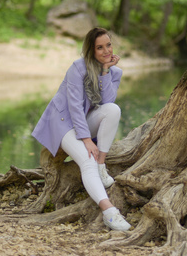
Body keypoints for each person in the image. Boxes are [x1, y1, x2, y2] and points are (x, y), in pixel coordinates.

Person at [32, 27, 131, 231]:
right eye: (100, 48)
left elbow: (107, 101)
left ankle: (101, 167)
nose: (106, 51)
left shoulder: (115, 72)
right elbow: (74, 106)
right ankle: (110, 213)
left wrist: (105, 71)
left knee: (113, 109)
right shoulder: (78, 68)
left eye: (109, 45)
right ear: (91, 50)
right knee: (87, 160)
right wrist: (86, 139)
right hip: (62, 121)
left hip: (84, 120)